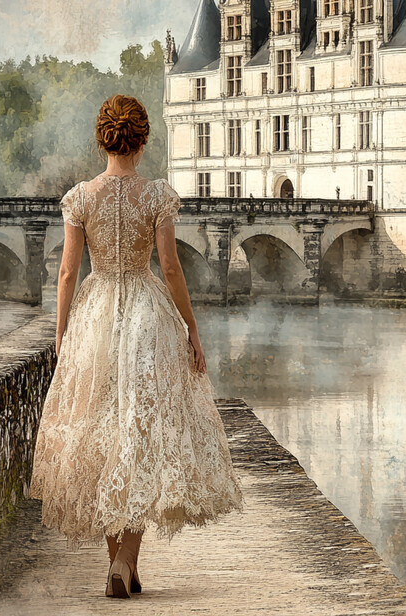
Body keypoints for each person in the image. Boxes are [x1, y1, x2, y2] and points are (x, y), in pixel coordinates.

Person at [28, 94, 244, 598]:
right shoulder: (156, 196)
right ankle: (126, 560)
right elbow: (169, 268)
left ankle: (118, 565)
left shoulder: (81, 197)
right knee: (140, 433)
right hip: (146, 317)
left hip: (96, 313)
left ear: (102, 138)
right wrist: (191, 327)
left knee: (103, 434)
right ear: (142, 140)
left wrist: (62, 334)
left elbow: (65, 273)